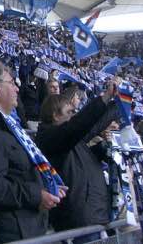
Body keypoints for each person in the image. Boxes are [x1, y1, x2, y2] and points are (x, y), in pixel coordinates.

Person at [0, 61, 63, 244]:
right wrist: (37, 195)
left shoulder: (7, 125)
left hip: (24, 229)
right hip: (8, 233)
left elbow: (18, 173)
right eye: (11, 82)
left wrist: (47, 186)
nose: (17, 88)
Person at [35, 85, 119, 235]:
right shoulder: (50, 138)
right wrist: (105, 97)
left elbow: (93, 127)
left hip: (94, 216)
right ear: (55, 115)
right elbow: (79, 125)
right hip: (81, 221)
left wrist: (117, 104)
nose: (73, 116)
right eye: (70, 112)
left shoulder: (69, 140)